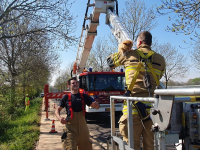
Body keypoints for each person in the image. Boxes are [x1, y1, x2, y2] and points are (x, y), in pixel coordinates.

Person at [107, 31, 166, 150]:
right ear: (150, 43)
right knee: (150, 146)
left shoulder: (128, 54)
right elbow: (158, 79)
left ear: (138, 42)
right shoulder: (160, 59)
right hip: (152, 111)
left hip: (131, 109)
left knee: (131, 146)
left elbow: (109, 62)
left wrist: (123, 48)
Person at [55, 77, 100, 150]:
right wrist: (59, 118)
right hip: (71, 129)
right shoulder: (66, 97)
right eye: (73, 83)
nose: (75, 84)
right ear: (69, 85)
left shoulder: (84, 96)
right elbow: (57, 110)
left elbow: (96, 106)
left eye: (77, 83)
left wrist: (97, 105)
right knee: (70, 148)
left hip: (83, 129)